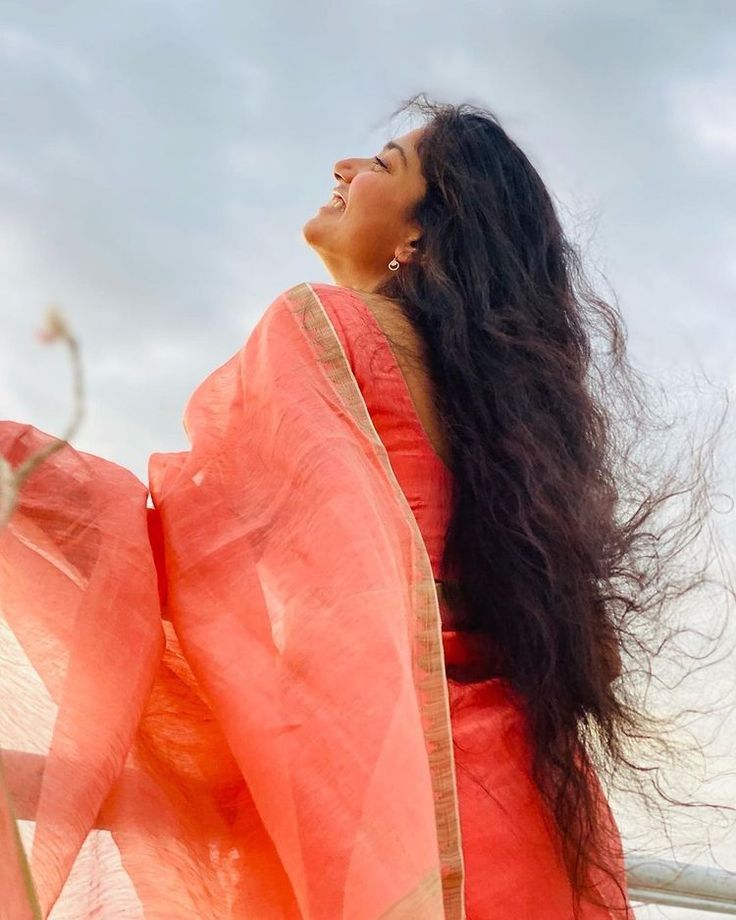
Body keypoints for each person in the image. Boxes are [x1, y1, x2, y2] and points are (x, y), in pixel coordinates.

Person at [0, 97, 643, 918]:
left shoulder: (328, 331)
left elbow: (176, 544)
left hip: (399, 809)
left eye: (381, 164)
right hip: (541, 812)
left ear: (418, 237)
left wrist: (20, 468)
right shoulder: (513, 409)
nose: (343, 169)